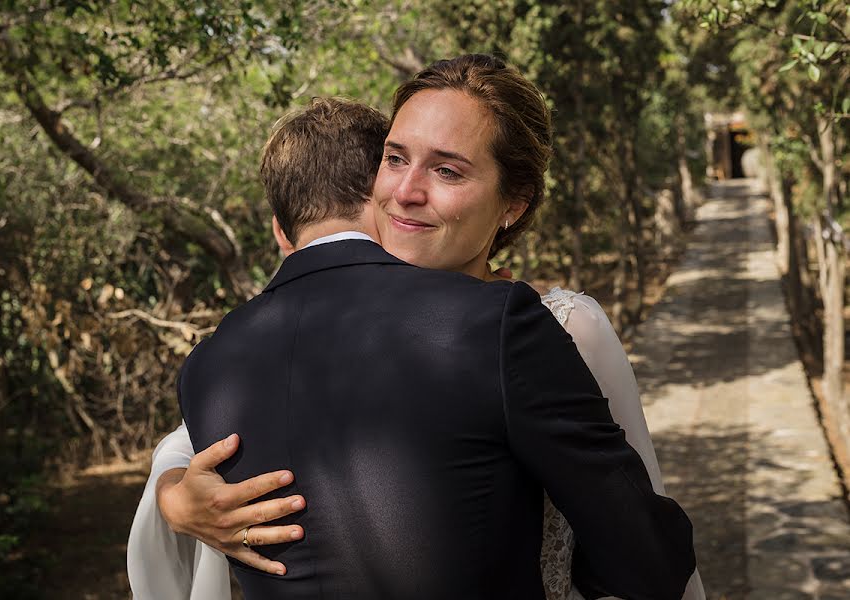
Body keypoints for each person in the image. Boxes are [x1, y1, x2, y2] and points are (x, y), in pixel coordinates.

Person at [128, 55, 701, 599]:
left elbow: (642, 541)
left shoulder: (557, 323)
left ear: (513, 204)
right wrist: (174, 497)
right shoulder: (326, 329)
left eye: (447, 170)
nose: (404, 191)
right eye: (395, 158)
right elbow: (182, 450)